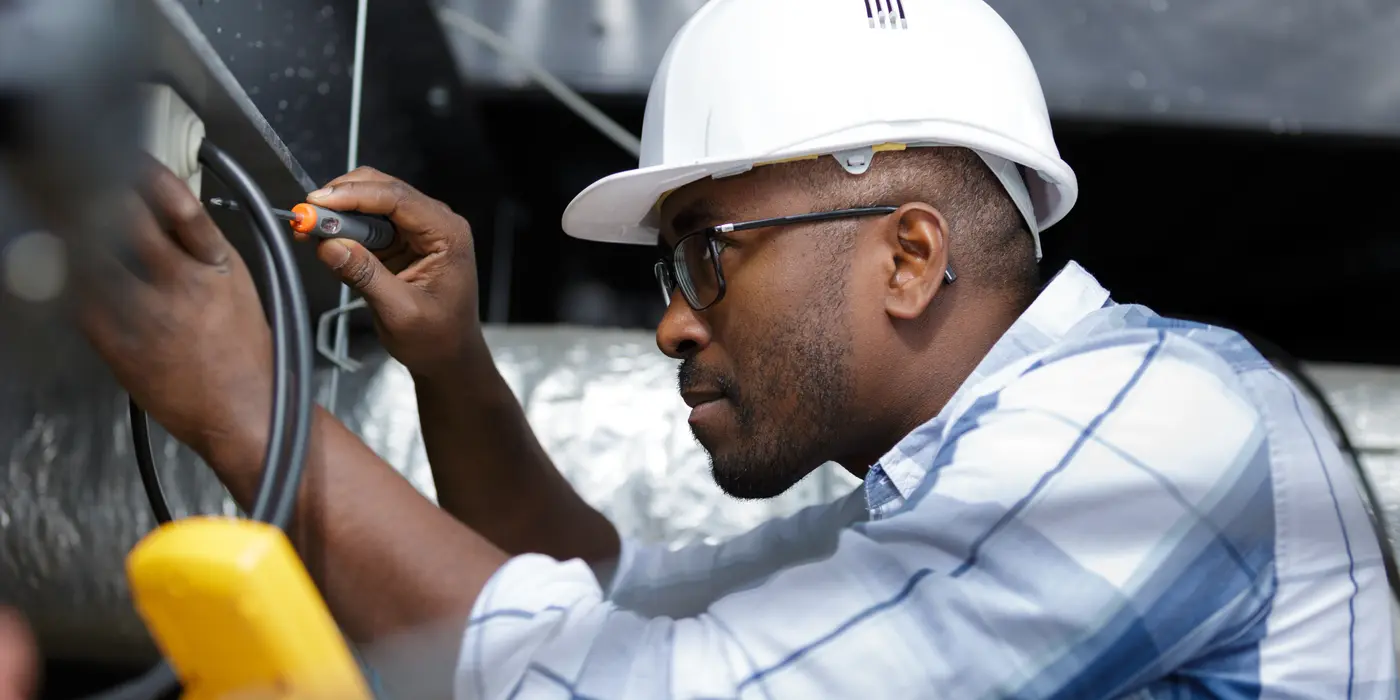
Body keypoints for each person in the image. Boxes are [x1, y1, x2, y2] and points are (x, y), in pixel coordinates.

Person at [61, 0, 1396, 697]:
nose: (670, 317)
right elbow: (615, 595)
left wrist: (249, 398)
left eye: (710, 249)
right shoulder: (969, 480)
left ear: (911, 253)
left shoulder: (1155, 431)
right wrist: (451, 368)